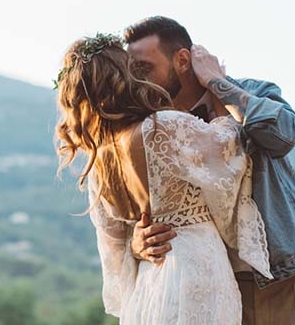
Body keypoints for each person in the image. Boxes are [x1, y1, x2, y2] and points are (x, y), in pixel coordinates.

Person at [124, 16, 295, 324]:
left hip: (285, 276)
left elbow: (284, 135)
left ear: (183, 60)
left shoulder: (251, 91)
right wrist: (137, 241)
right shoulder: (152, 129)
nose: (136, 80)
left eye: (144, 68)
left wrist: (215, 82)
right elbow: (132, 203)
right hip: (214, 288)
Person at [55, 33, 273, 324]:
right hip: (195, 269)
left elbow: (114, 246)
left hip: (150, 281)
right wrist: (216, 84)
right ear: (124, 74)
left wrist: (136, 244)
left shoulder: (100, 157)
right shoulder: (162, 127)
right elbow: (230, 150)